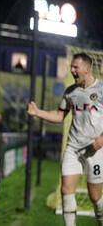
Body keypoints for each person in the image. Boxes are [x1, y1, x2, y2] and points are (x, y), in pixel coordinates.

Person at [27, 52, 103, 226]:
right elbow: (60, 115)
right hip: (73, 148)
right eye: (71, 66)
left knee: (95, 197)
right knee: (66, 190)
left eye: (75, 67)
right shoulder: (70, 92)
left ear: (87, 68)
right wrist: (37, 112)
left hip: (96, 150)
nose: (72, 70)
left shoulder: (101, 89)